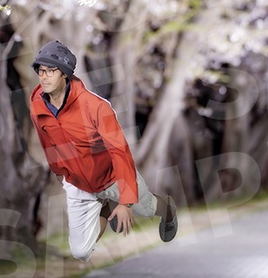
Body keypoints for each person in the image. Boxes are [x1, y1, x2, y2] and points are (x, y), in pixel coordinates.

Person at [29, 39, 178, 261]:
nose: (44, 76)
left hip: (113, 177)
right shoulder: (37, 103)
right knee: (80, 252)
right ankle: (106, 206)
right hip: (79, 183)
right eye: (41, 71)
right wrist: (60, 170)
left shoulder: (96, 107)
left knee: (146, 210)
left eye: (51, 71)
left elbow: (120, 152)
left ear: (65, 74)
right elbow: (46, 140)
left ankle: (167, 209)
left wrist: (126, 202)